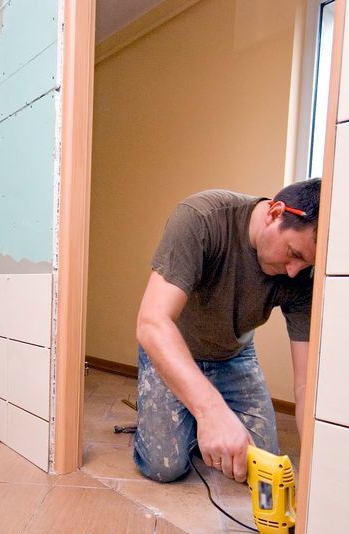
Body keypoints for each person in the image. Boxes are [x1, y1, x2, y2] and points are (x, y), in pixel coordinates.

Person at [133, 179, 321, 483]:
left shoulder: (301, 276)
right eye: (294, 254)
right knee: (164, 467)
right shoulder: (201, 218)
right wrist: (210, 412)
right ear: (275, 213)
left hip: (234, 354)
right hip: (174, 346)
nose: (293, 271)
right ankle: (181, 413)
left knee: (261, 462)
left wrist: (317, 460)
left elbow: (304, 385)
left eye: (305, 264)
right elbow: (152, 323)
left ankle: (195, 415)